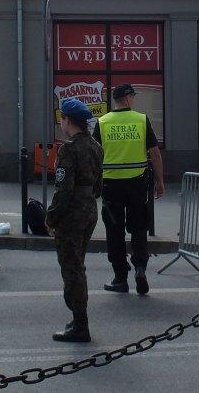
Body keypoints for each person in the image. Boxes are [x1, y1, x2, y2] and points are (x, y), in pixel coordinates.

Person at [93, 83, 165, 296]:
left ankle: (120, 278)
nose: (134, 99)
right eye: (133, 96)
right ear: (127, 98)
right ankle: (140, 267)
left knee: (114, 231)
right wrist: (160, 180)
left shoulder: (102, 122)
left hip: (111, 184)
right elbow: (154, 153)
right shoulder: (141, 120)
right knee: (139, 227)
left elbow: (95, 156)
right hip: (137, 183)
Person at [46, 98, 103, 342]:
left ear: (67, 120)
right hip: (89, 210)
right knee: (78, 264)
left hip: (72, 215)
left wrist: (51, 217)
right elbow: (98, 185)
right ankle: (78, 320)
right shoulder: (95, 146)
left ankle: (80, 325)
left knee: (72, 269)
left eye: (62, 119)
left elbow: (63, 190)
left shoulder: (68, 149)